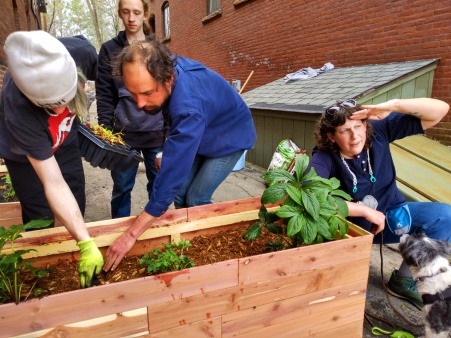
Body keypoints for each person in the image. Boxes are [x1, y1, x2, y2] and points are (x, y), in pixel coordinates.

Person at [103, 39, 256, 271]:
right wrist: (170, 150)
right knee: (181, 193)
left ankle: (208, 252)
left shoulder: (188, 107)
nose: (139, 103)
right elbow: (173, 123)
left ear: (168, 79)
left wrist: (132, 234)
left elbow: (169, 179)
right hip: (206, 129)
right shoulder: (167, 66)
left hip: (230, 138)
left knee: (195, 197)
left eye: (146, 93)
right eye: (132, 94)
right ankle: (189, 241)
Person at [310, 97, 451, 308]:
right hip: (350, 229)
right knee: (349, 297)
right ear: (331, 136)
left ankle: (402, 281)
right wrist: (363, 211)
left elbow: (440, 109)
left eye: (358, 126)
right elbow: (311, 196)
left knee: (444, 217)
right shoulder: (324, 157)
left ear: (366, 124)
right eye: (344, 130)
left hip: (392, 217)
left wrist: (394, 105)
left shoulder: (379, 131)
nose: (355, 136)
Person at [0, 30, 103, 288]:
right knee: (41, 215)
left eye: (63, 100)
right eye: (50, 106)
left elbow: (107, 83)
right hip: (24, 156)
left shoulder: (81, 52)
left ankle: (74, 249)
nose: (60, 110)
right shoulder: (19, 110)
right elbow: (53, 183)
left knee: (75, 192)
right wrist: (86, 241)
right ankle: (45, 274)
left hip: (64, 140)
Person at [96, 0, 165, 219]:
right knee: (122, 189)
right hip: (123, 136)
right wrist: (107, 132)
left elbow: (168, 90)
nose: (131, 18)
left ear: (145, 14)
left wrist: (170, 131)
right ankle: (119, 231)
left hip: (156, 133)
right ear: (119, 14)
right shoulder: (108, 49)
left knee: (158, 188)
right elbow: (105, 94)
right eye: (126, 12)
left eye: (136, 12)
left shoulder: (158, 49)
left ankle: (156, 232)